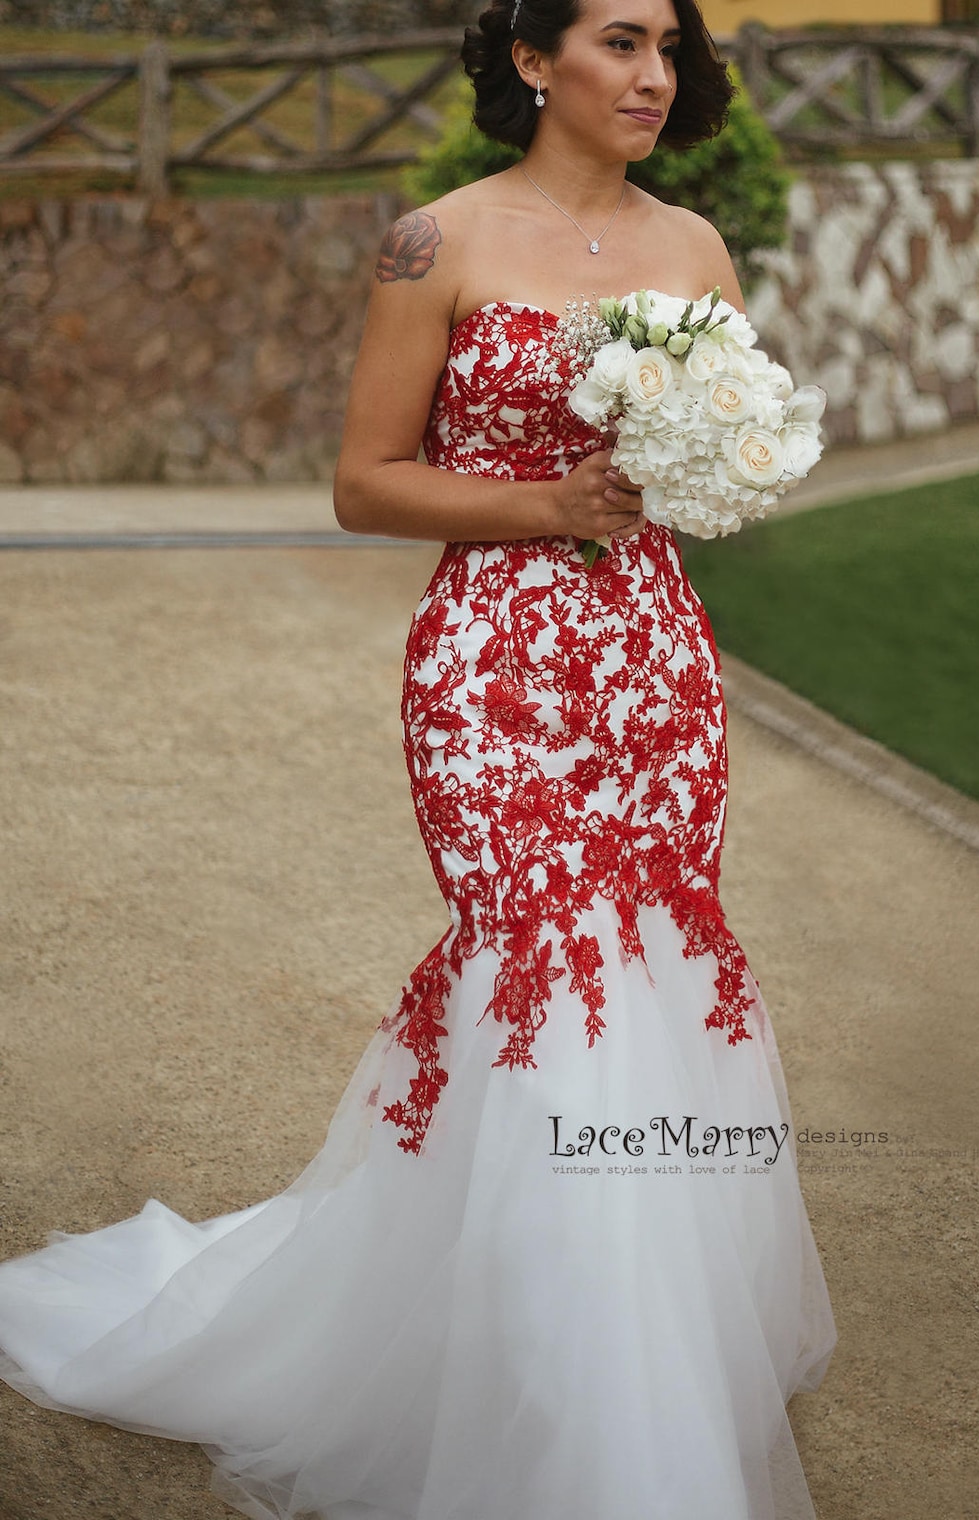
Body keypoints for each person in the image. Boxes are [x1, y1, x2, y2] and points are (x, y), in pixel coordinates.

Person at [0, 0, 837, 1515]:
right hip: (490, 665)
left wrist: (707, 471)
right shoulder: (432, 242)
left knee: (653, 956)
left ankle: (632, 1349)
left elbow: (711, 462)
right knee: (543, 967)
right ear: (533, 61)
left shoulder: (698, 250)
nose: (654, 77)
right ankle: (587, 1421)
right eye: (622, 42)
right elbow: (362, 484)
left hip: (651, 665)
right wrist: (547, 509)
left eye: (668, 51)